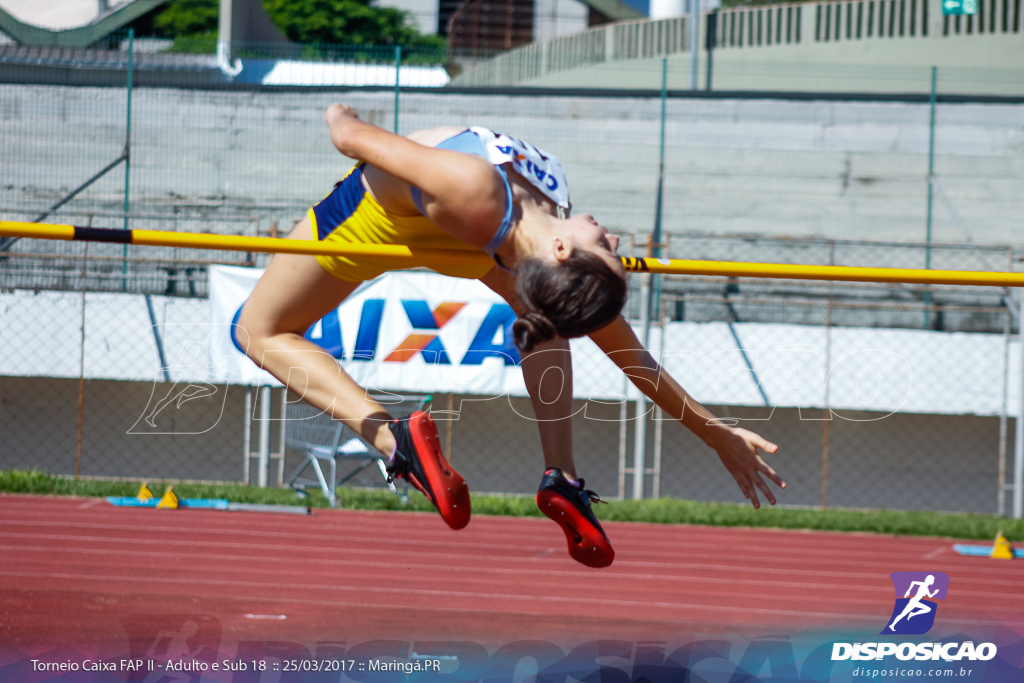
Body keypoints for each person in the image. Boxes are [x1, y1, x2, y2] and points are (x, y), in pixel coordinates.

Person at [234, 104, 785, 568]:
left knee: (257, 331)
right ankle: (561, 477)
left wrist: (338, 112)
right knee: (540, 303)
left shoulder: (498, 200)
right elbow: (633, 358)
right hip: (472, 235)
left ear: (566, 251)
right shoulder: (547, 236)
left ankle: (392, 439)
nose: (615, 238)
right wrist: (713, 433)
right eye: (614, 250)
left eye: (610, 248)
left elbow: (353, 140)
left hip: (378, 219)